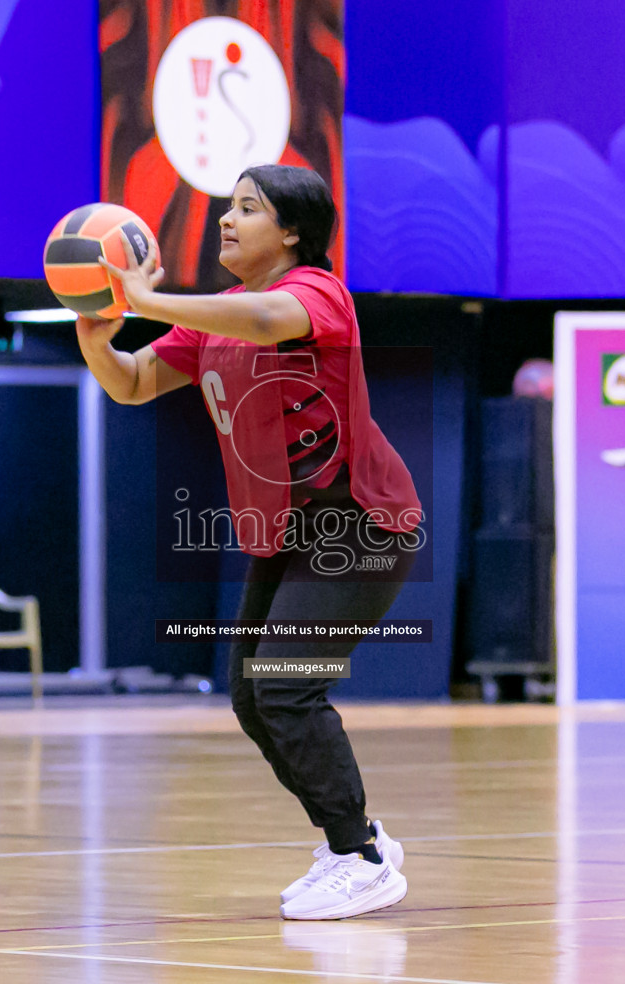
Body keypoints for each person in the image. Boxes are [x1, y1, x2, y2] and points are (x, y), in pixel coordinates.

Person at [75, 164, 420, 921]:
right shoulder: (214, 318)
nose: (226, 220)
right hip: (286, 534)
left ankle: (360, 860)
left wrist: (143, 298)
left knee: (288, 687)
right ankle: (352, 843)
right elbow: (131, 382)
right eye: (227, 208)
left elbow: (268, 322)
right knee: (252, 697)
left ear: (292, 231)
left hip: (357, 523)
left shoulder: (315, 293)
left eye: (247, 208)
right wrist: (97, 334)